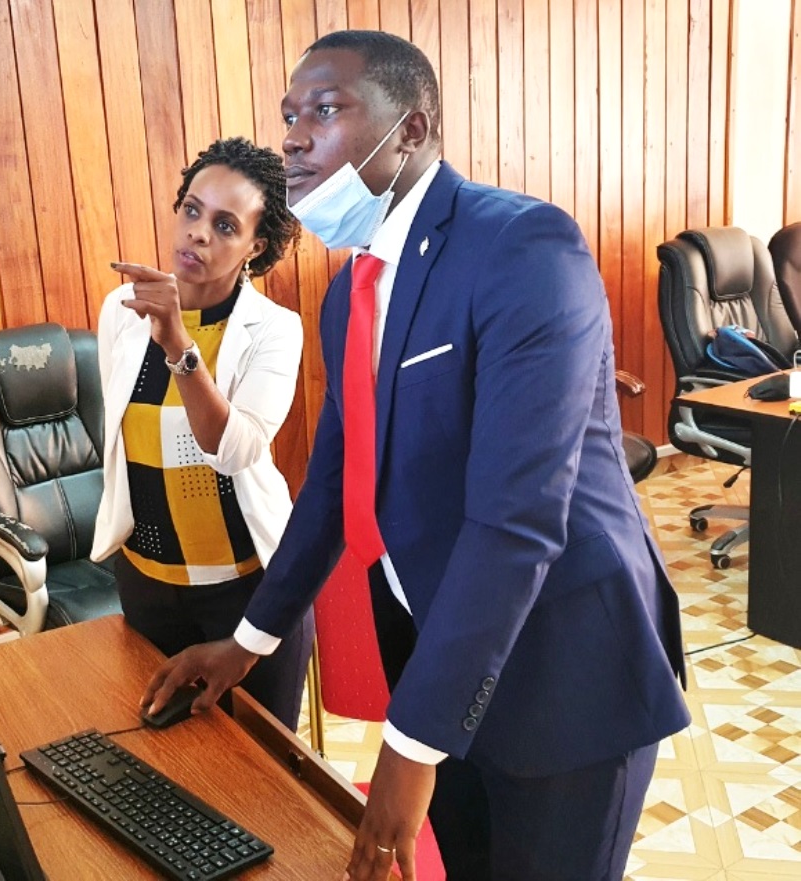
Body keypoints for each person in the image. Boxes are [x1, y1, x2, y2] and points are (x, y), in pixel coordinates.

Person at [142, 31, 690, 881]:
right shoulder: (345, 293)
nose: (291, 136)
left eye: (324, 110)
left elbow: (517, 520)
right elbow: (332, 486)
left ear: (411, 129)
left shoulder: (522, 248)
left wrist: (412, 737)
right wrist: (247, 642)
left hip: (564, 673)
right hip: (441, 653)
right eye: (289, 115)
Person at [91, 136, 312, 730]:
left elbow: (234, 449)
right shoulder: (121, 310)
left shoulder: (275, 329)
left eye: (224, 224)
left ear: (255, 246)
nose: (197, 233)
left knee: (265, 780)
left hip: (245, 591)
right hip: (146, 584)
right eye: (191, 210)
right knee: (166, 766)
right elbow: (120, 436)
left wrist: (178, 343)